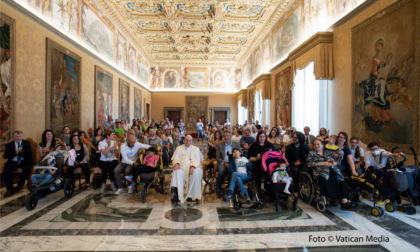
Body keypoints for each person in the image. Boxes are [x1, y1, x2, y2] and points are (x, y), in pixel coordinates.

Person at [306, 139, 355, 210]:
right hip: (320, 171)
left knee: (340, 178)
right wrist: (323, 163)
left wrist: (333, 162)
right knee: (324, 178)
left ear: (322, 145)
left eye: (318, 144)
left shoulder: (328, 152)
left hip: (332, 169)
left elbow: (336, 160)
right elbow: (309, 164)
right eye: (315, 144)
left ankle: (344, 201)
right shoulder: (312, 154)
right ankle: (329, 198)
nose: (316, 146)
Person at [170, 135, 203, 204]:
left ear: (192, 141)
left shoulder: (196, 149)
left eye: (189, 140)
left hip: (193, 166)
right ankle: (178, 195)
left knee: (196, 173)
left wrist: (193, 167)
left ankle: (194, 196)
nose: (188, 142)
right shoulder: (179, 148)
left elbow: (198, 160)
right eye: (186, 140)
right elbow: (175, 159)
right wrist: (177, 164)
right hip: (181, 167)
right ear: (184, 140)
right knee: (177, 171)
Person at [3, 131, 32, 197]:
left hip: (23, 161)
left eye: (20, 136)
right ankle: (10, 188)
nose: (18, 138)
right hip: (13, 161)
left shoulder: (27, 143)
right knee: (6, 169)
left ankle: (20, 184)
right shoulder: (9, 145)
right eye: (16, 136)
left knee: (27, 168)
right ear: (14, 137)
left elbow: (29, 154)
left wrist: (21, 152)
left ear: (22, 136)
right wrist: (16, 152)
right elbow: (5, 156)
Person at [285, 131, 309, 210]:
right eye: (293, 137)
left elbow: (307, 157)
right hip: (293, 164)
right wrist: (294, 163)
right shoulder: (289, 147)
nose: (294, 139)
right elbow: (287, 159)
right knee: (295, 170)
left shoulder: (305, 147)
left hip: (303, 164)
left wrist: (301, 162)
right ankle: (296, 190)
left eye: (296, 137)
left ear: (300, 138)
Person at [248, 130, 274, 195]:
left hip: (268, 164)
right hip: (257, 164)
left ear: (265, 137)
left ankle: (268, 190)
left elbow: (274, 155)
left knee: (270, 174)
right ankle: (259, 189)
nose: (262, 138)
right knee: (258, 174)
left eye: (263, 136)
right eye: (260, 137)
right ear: (258, 137)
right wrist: (256, 158)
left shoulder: (269, 145)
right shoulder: (253, 146)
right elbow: (249, 158)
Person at [216, 131, 241, 198]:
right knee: (221, 171)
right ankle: (219, 188)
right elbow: (217, 157)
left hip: (234, 162)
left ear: (231, 136)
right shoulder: (220, 145)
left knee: (236, 172)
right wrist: (224, 162)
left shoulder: (236, 144)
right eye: (224, 136)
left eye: (227, 135)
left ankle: (236, 189)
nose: (226, 137)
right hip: (223, 162)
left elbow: (240, 153)